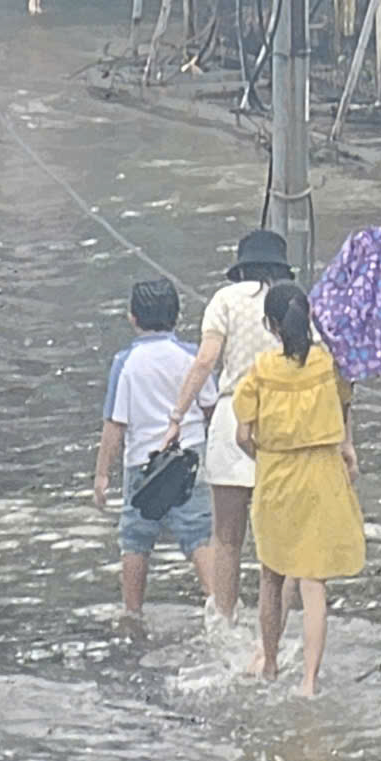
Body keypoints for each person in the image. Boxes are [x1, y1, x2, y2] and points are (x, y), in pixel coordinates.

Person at [234, 283, 364, 696]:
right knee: (313, 582)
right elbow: (345, 407)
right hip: (322, 473)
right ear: (309, 319)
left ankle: (269, 662)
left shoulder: (261, 370)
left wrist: (264, 456)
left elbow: (242, 433)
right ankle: (309, 680)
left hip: (277, 474)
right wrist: (346, 449)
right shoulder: (330, 365)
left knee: (271, 574)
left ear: (271, 326)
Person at [167, 228, 297, 624]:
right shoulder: (293, 301)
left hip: (231, 416)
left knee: (226, 534)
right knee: (281, 537)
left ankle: (224, 619)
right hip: (282, 419)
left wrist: (178, 416)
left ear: (241, 267)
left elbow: (206, 359)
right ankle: (274, 623)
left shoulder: (223, 300)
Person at [93, 280, 230, 615]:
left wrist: (101, 475)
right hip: (190, 457)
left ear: (132, 318)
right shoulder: (191, 357)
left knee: (136, 541)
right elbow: (213, 409)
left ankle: (132, 613)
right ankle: (219, 609)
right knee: (199, 535)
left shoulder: (125, 362)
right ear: (177, 317)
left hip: (142, 463)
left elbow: (114, 425)